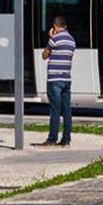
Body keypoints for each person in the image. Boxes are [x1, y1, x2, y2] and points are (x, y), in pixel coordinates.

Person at [36, 15, 75, 147]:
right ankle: (66, 139)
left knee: (55, 110)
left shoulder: (55, 39)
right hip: (66, 79)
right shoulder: (72, 40)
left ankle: (52, 138)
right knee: (67, 110)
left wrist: (51, 38)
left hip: (54, 79)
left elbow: (44, 55)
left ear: (55, 27)